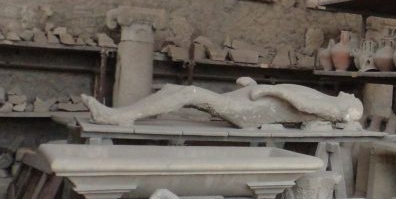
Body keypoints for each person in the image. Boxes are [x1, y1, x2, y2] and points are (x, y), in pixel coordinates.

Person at [82, 77, 363, 128]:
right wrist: (256, 86)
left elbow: (304, 105)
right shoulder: (331, 98)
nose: (354, 96)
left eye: (356, 101)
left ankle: (117, 116)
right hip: (251, 101)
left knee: (189, 94)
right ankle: (121, 113)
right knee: (175, 88)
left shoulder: (336, 108)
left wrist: (269, 90)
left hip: (250, 112)